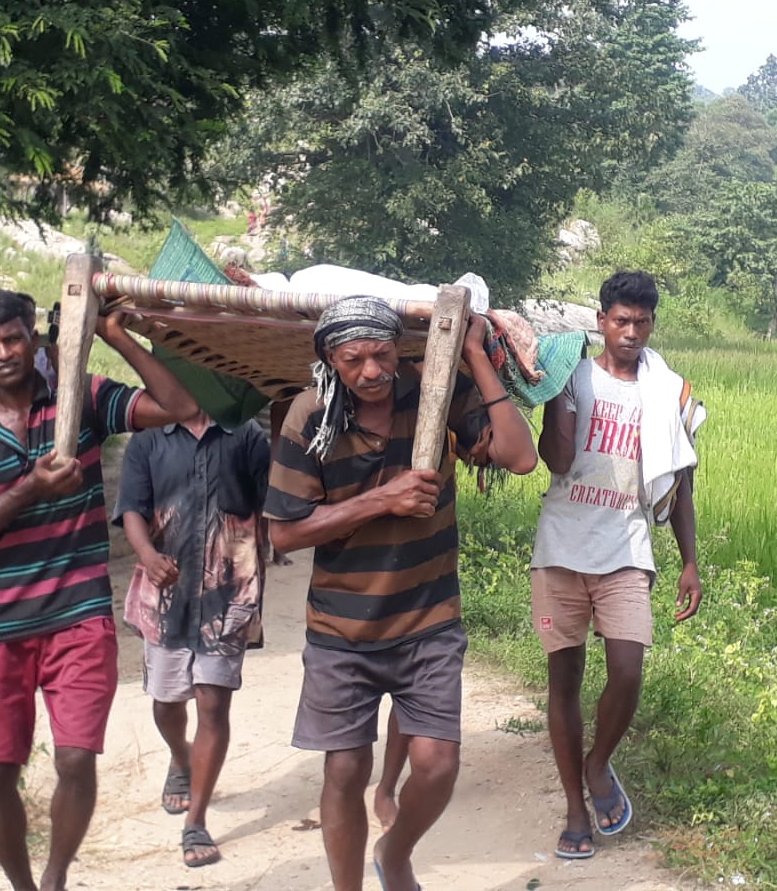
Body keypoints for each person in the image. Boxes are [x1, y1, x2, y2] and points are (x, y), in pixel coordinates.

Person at [263, 296, 537, 891]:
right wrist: (378, 501)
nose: (370, 371)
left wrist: (472, 355)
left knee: (438, 766)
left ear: (399, 349)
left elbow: (520, 456)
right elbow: (284, 530)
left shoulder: (436, 392)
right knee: (345, 769)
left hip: (429, 617)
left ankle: (397, 850)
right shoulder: (309, 417)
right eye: (353, 359)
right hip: (342, 631)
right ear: (330, 360)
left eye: (381, 354)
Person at [0, 287, 199, 891]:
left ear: (35, 337)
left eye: (14, 338)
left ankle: (54, 879)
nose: (3, 353)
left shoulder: (83, 397)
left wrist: (113, 335)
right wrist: (28, 490)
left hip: (78, 612)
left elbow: (179, 407)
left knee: (76, 756)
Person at [530, 270, 706, 860]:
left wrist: (690, 562)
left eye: (642, 322)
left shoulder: (668, 391)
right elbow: (555, 461)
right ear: (602, 321)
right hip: (561, 549)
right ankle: (575, 809)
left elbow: (681, 483)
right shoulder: (575, 378)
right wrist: (555, 395)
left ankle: (597, 762)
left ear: (653, 324)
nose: (631, 333)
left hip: (627, 549)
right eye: (621, 321)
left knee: (628, 670)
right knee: (566, 681)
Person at [113, 407, 270, 867]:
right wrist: (146, 553)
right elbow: (131, 511)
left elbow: (273, 499)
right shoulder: (147, 442)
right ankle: (181, 759)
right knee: (166, 702)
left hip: (231, 590)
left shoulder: (246, 434)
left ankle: (195, 821)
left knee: (213, 701)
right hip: (167, 592)